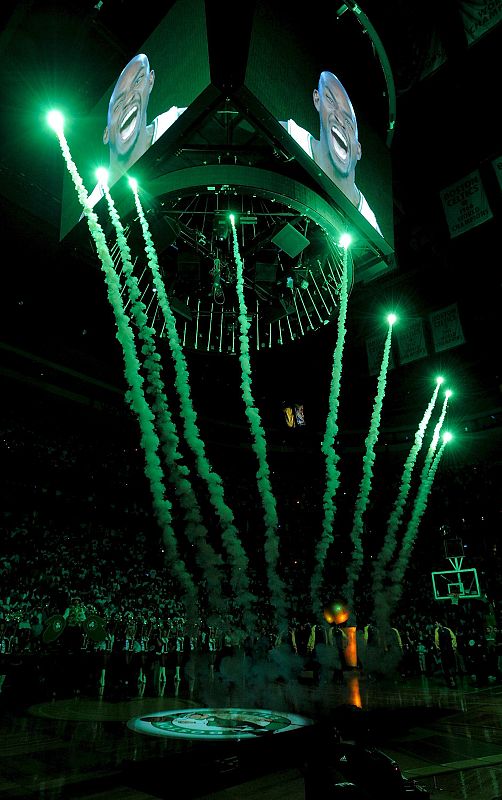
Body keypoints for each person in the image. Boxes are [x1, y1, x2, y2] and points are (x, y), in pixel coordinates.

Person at [280, 71, 382, 236]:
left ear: (358, 150)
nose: (340, 120)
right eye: (330, 100)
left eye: (348, 122)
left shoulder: (368, 223)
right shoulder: (289, 135)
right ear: (317, 100)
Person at [86, 53, 186, 210]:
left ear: (150, 81)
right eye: (118, 104)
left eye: (138, 81)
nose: (129, 98)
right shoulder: (93, 204)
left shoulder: (176, 121)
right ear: (106, 135)